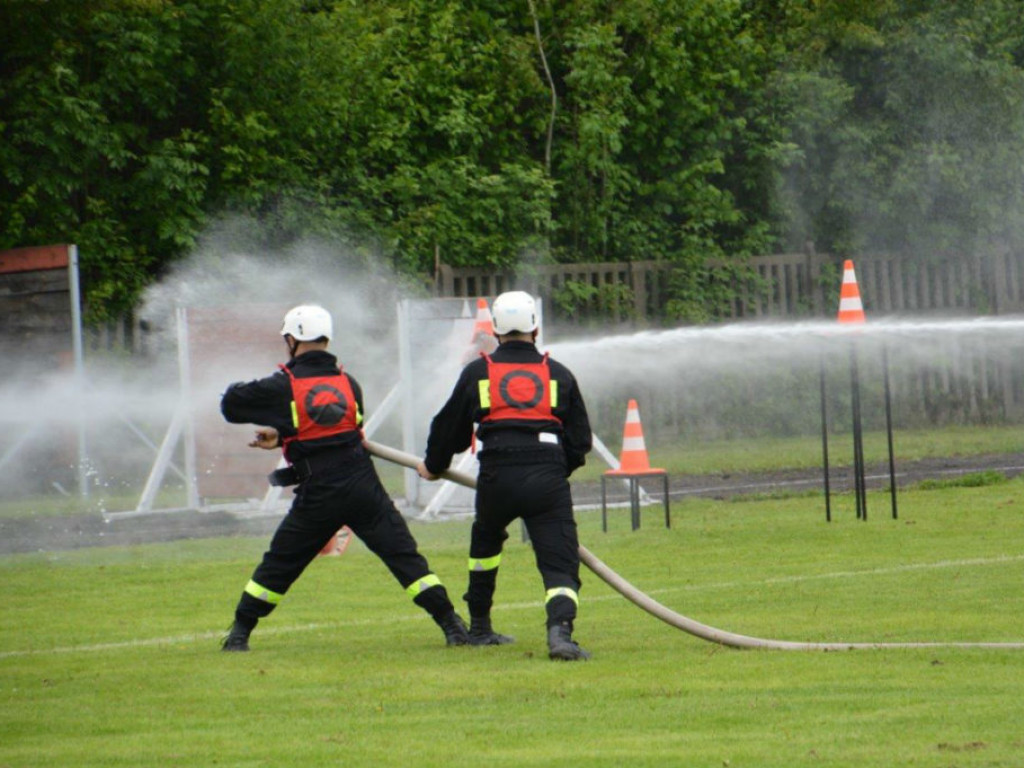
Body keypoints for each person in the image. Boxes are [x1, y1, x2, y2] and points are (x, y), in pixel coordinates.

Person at [219, 304, 470, 651]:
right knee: (404, 557)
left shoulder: (282, 386)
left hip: (319, 493)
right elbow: (337, 427)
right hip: (363, 485)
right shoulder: (348, 382)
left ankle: (239, 635)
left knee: (280, 563)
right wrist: (284, 434)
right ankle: (452, 626)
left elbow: (230, 406)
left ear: (291, 339)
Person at [417, 291, 594, 660]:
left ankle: (479, 627)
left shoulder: (477, 372)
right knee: (558, 560)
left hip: (496, 474)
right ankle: (560, 635)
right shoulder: (558, 374)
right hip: (547, 475)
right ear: (536, 329)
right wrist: (557, 470)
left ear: (495, 331)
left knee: (484, 548)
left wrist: (433, 466)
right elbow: (580, 442)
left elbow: (447, 426)